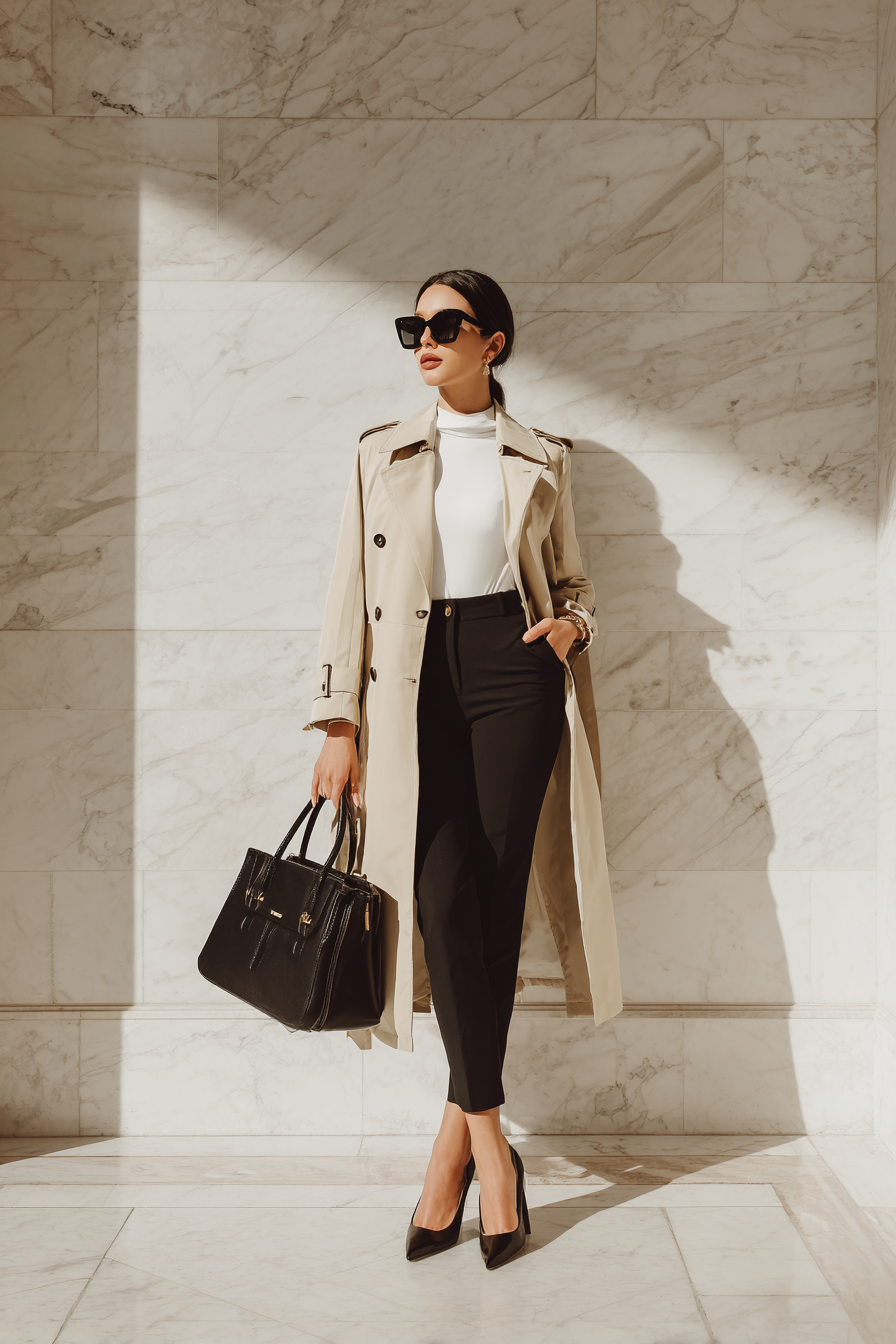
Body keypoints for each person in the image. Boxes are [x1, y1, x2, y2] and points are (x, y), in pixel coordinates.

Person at [307, 269, 622, 1270]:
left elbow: (573, 579)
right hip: (409, 683)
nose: (422, 340)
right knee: (440, 901)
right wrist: (334, 721)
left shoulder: (543, 458)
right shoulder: (379, 452)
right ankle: (486, 1145)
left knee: (490, 897)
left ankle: (455, 1150)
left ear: (494, 342)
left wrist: (570, 627)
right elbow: (343, 588)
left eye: (444, 325)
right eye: (413, 326)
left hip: (512, 667)